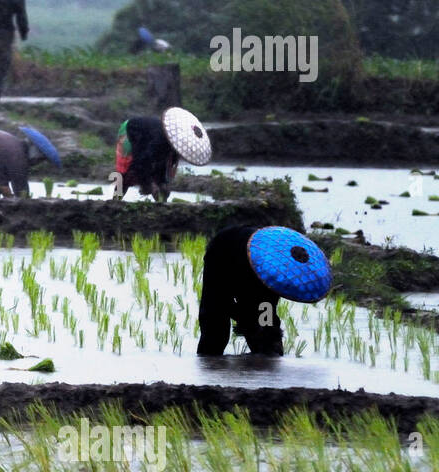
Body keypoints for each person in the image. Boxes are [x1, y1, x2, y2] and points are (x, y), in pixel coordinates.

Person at [197, 225, 332, 356]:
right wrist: (242, 316)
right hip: (222, 253)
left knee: (265, 319)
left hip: (261, 269)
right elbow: (222, 303)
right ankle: (209, 361)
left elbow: (265, 310)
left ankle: (266, 357)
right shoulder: (266, 253)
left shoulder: (283, 273)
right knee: (214, 319)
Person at [114, 116, 178, 202]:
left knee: (159, 181)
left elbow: (163, 168)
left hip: (148, 136)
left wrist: (163, 183)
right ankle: (114, 202)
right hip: (131, 130)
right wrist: (150, 184)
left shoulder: (174, 149)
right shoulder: (158, 141)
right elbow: (141, 160)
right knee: (126, 173)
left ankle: (161, 206)